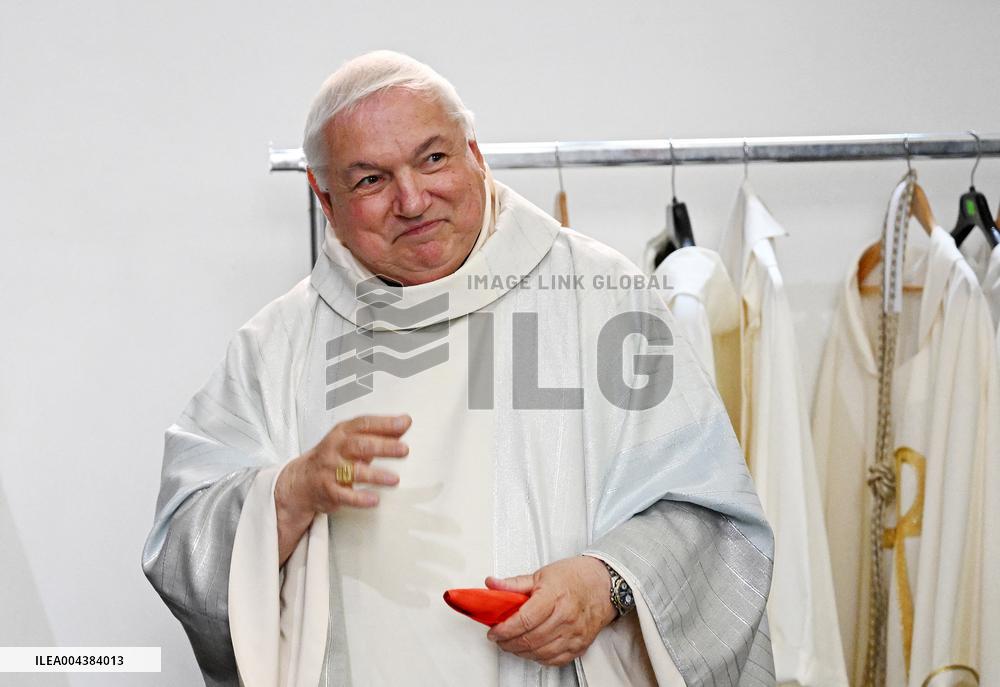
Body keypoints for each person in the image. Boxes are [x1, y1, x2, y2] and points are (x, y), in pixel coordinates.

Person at [142, 50, 775, 687]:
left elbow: (713, 519)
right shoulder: (276, 347)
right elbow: (181, 544)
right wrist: (290, 493)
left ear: (476, 151)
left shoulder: (600, 298)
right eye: (370, 181)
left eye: (433, 158)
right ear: (323, 198)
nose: (413, 200)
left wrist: (607, 582)